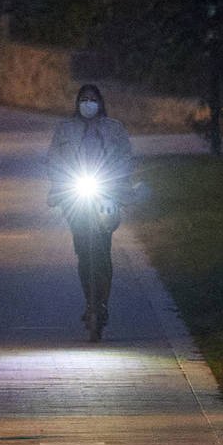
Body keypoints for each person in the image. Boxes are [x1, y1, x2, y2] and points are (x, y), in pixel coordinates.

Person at [46, 83, 134, 337]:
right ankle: (90, 302)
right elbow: (54, 161)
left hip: (105, 194)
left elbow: (125, 159)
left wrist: (119, 185)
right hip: (76, 195)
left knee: (102, 251)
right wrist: (58, 186)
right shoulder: (65, 130)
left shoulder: (114, 129)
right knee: (84, 252)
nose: (88, 103)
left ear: (100, 102)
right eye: (83, 99)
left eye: (92, 99)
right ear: (77, 103)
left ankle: (102, 302)